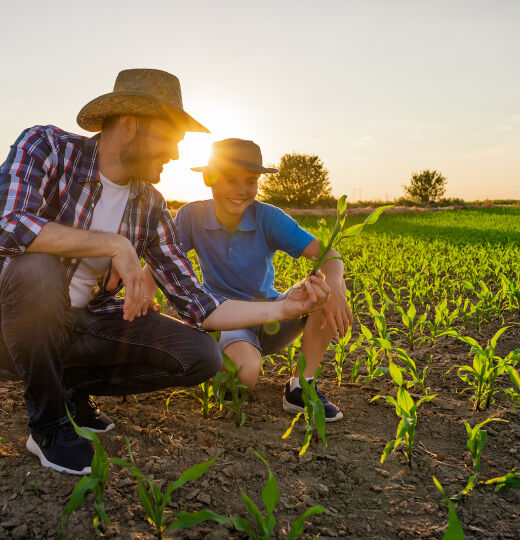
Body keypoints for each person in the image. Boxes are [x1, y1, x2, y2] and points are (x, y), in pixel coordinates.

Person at [0, 70, 330, 475]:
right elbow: (7, 223)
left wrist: (285, 308)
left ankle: (71, 391)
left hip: (84, 326)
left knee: (200, 355)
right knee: (36, 266)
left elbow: (198, 304)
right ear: (130, 125)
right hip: (12, 325)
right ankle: (48, 427)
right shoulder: (48, 147)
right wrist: (112, 244)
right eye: (171, 139)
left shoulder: (150, 205)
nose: (175, 154)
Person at [167, 138, 353, 421]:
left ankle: (301, 388)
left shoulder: (268, 217)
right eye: (231, 179)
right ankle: (220, 364)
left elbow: (328, 254)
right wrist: (142, 295)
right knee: (244, 376)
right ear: (210, 178)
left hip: (273, 314)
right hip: (227, 319)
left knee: (321, 290)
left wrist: (337, 288)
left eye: (251, 181)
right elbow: (162, 262)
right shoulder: (191, 216)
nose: (242, 191)